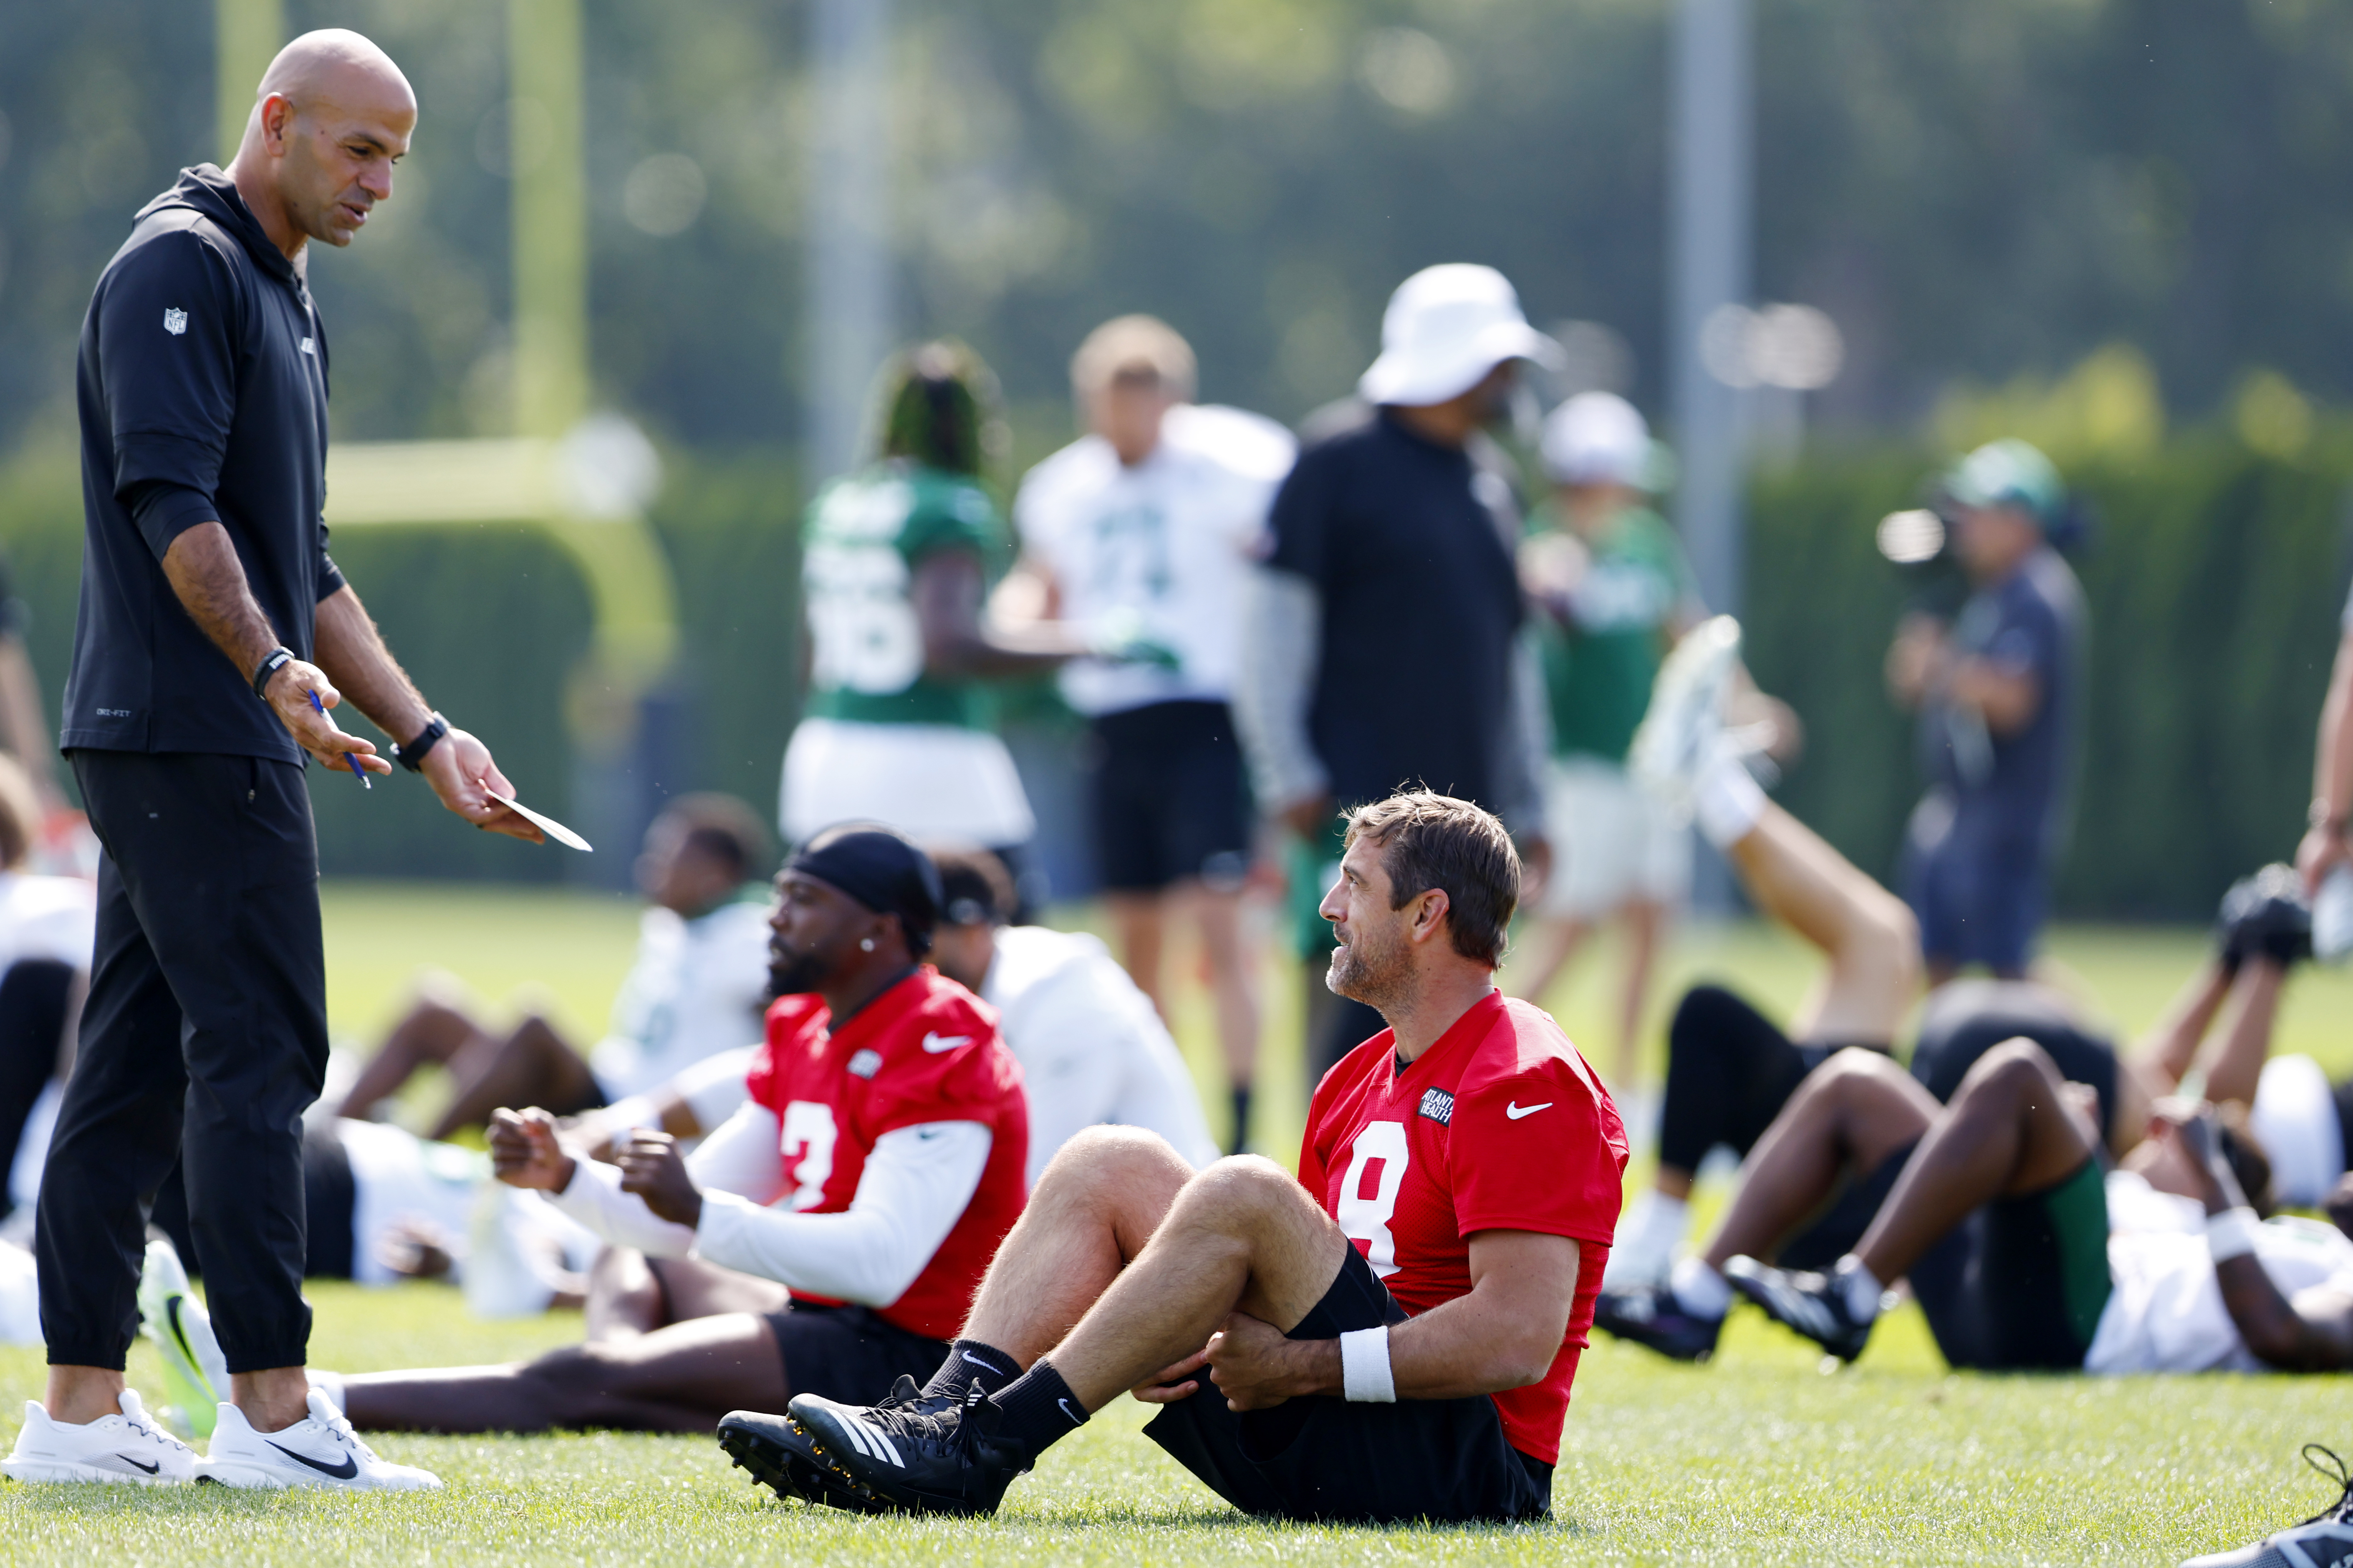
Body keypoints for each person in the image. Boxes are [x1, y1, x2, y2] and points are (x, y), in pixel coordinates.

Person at [14, 29, 540, 1494]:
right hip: (194, 732)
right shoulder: (179, 266)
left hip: (191, 730)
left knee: (125, 1072)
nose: (380, 183)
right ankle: (270, 1410)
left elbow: (298, 556)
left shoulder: (282, 287)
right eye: (358, 149)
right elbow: (171, 502)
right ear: (277, 121)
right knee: (261, 1053)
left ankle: (73, 1413)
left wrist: (430, 734)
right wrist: (268, 673)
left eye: (397, 159)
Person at [716, 792, 1625, 1525]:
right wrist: (1173, 1321)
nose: (1327, 905)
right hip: (1340, 1428)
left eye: (1352, 883)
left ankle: (984, 1446)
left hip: (1461, 1475)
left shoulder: (1525, 1077)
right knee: (1107, 1158)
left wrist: (1300, 1369)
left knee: (1241, 1187)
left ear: (1427, 914)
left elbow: (1516, 1337)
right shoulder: (1359, 1071)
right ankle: (931, 1425)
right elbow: (1296, 1283)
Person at [329, 825, 1029, 1436]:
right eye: (781, 895)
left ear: (879, 927)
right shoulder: (807, 1029)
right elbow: (670, 1219)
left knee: (575, 1377)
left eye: (804, 900)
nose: (775, 918)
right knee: (639, 1297)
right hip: (830, 1317)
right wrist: (566, 1176)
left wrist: (694, 1210)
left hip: (914, 1359)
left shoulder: (942, 1038)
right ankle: (640, 1383)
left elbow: (880, 1262)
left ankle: (317, 1400)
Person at [1235, 265, 1558, 1081]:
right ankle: (1321, 1209)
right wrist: (1288, 773)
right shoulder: (1335, 460)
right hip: (1354, 809)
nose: (1508, 381)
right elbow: (1272, 633)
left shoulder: (1493, 481)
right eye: (1495, 362)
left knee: (1455, 1048)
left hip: (1468, 822)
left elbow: (1510, 654)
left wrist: (1528, 800)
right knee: (1350, 1038)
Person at [1011, 316, 1292, 1152]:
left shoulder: (1229, 470)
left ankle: (1241, 1122)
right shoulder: (1062, 488)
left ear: (1173, 399)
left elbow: (1273, 562)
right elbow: (1040, 589)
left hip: (1202, 715)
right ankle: (1158, 1125)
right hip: (1111, 718)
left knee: (1218, 924)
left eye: (1144, 400)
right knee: (1134, 938)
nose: (1128, 419)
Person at [1721, 1046, 2353, 1379]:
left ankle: (1851, 1298)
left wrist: (2213, 1172)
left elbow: (2279, 1332)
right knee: (1859, 1086)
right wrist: (2060, 1145)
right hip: (2013, 1299)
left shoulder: (2330, 1272)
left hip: (2083, 1329)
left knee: (2019, 1074)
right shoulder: (2274, 1235)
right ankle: (1694, 1298)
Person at [779, 342, 1113, 903]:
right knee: (1008, 935)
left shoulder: (840, 503)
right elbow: (947, 645)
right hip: (932, 755)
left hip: (825, 752)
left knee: (837, 953)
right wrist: (1084, 644)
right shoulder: (951, 505)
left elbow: (808, 660)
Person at [335, 793, 773, 1137]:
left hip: (640, 1114)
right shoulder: (671, 924)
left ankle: (415, 1152)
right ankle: (330, 1144)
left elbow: (784, 1031)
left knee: (534, 1022)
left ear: (714, 875)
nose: (650, 867)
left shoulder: (749, 934)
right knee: (432, 1009)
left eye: (669, 858)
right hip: (609, 1082)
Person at [1507, 392, 1703, 1094]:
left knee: (1651, 920)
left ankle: (1624, 1084)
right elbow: (1538, 598)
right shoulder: (1545, 541)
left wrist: (1742, 698)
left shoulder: (1646, 540)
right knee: (1566, 925)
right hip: (1580, 767)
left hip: (1650, 765)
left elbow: (1684, 628)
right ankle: (1493, 1056)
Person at [1886, 438, 2086, 984]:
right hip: (1958, 811)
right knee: (1935, 959)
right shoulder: (1989, 593)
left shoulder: (2037, 594)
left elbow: (2013, 700)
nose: (1964, 525)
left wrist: (1942, 667)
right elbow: (1912, 685)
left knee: (2011, 975)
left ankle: (2086, 1052)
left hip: (2005, 818)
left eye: (1978, 512)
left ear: (2021, 520)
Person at [926, 844, 1219, 1179]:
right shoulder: (995, 991)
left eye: (922, 941)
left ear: (972, 933)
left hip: (1165, 1219)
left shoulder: (1061, 999)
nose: (908, 961)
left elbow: (1033, 1183)